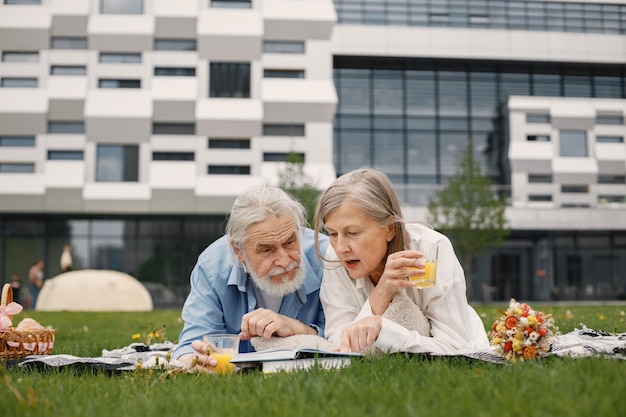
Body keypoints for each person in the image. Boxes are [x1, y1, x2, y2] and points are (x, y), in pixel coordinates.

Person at [313, 168, 489, 354]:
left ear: (389, 229)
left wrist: (385, 332)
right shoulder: (335, 257)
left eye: (353, 233)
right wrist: (380, 293)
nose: (341, 247)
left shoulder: (431, 250)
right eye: (332, 233)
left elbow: (456, 347)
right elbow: (340, 344)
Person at [172, 185, 330, 372]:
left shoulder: (328, 257)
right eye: (266, 249)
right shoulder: (212, 268)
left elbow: (345, 338)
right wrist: (197, 359)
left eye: (290, 242)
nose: (284, 260)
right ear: (238, 251)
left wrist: (300, 330)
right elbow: (191, 345)